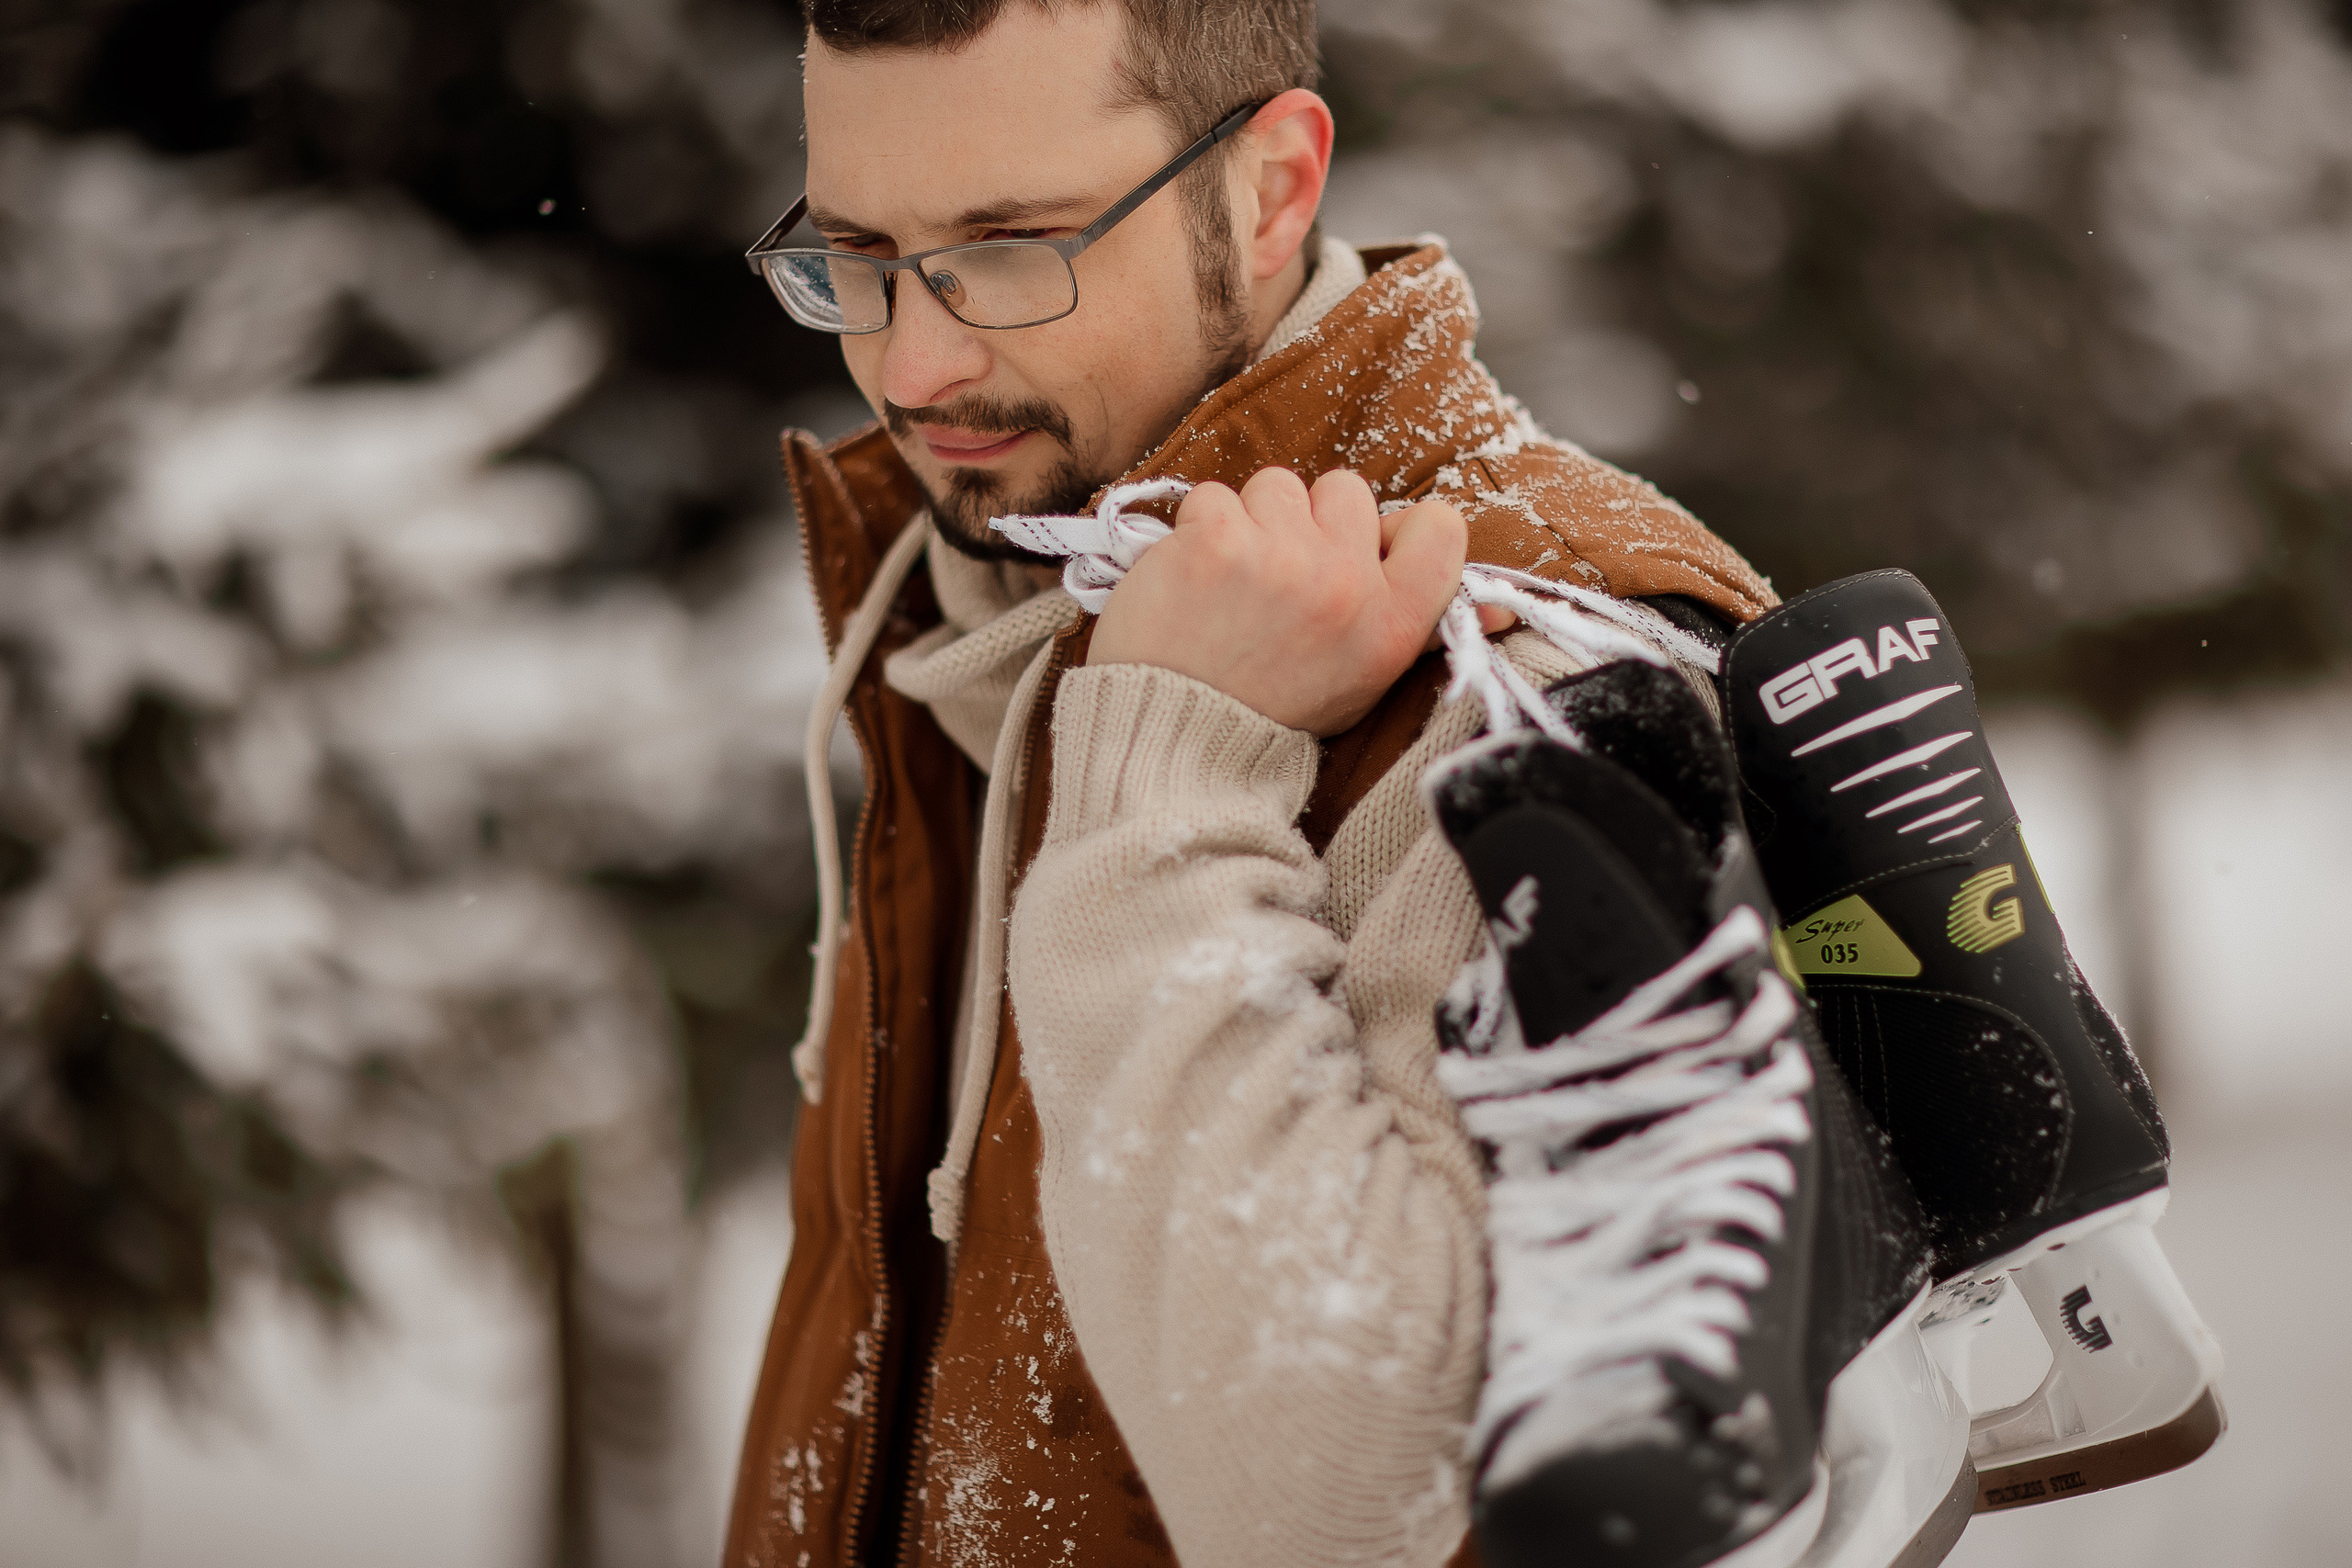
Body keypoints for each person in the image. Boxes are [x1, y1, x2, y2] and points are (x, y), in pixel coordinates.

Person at [725, 3, 1783, 1563]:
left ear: (1275, 187)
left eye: (1013, 243)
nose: (911, 358)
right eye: (858, 252)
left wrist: (1166, 784)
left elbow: (1375, 1508)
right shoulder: (966, 593)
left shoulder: (1543, 670)